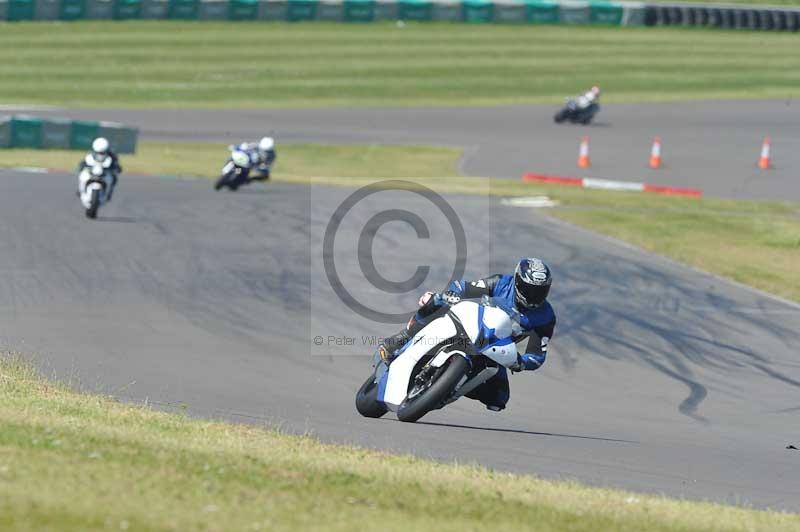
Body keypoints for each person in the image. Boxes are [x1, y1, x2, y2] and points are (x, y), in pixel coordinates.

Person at [378, 258, 556, 412]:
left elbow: (538, 354)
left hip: (494, 347)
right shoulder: (501, 283)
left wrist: (521, 362)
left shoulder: (546, 317)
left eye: (540, 291)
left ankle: (451, 387)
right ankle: (403, 338)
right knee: (437, 301)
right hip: (470, 325)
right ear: (517, 282)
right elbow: (463, 286)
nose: (534, 296)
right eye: (528, 289)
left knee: (499, 399)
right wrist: (453, 294)